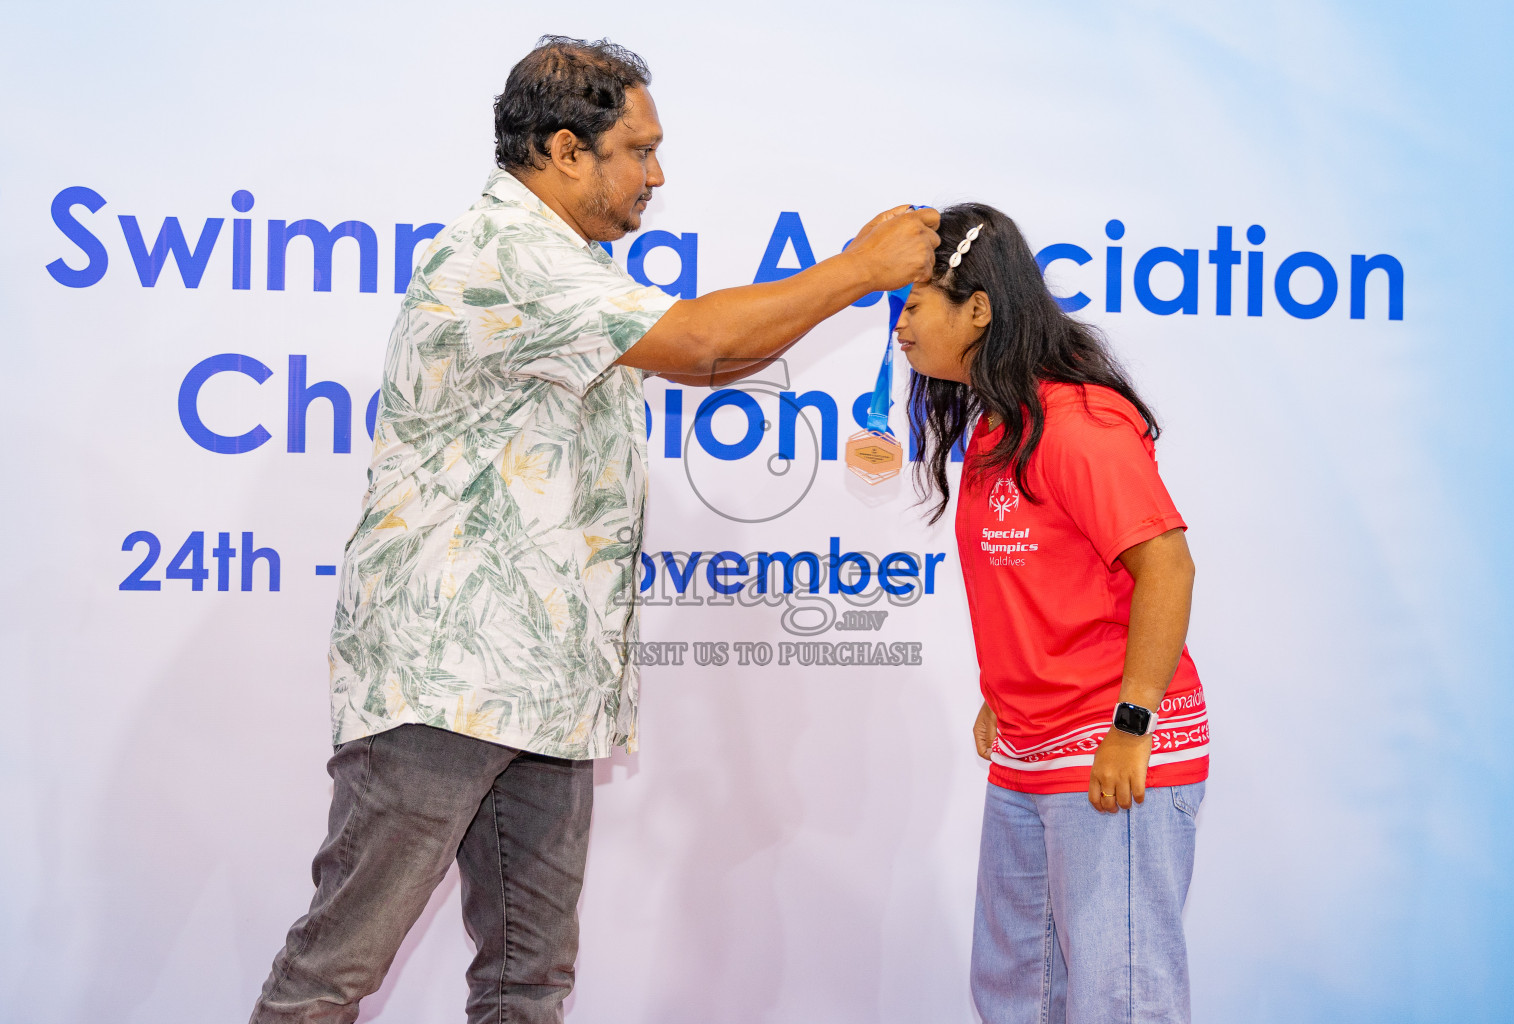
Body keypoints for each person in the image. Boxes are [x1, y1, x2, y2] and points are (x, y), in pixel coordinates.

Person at [248, 36, 939, 1024]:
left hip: (546, 691)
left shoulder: (570, 266)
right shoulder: (508, 256)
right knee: (332, 977)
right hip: (446, 687)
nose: (659, 174)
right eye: (642, 150)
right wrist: (859, 269)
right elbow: (706, 345)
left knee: (528, 986)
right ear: (568, 150)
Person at [896, 204, 1210, 1023]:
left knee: (1120, 1002)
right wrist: (1005, 686)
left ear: (977, 309)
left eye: (913, 303)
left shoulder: (1076, 424)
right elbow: (1041, 576)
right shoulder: (1001, 425)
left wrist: (1132, 724)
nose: (899, 326)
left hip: (1112, 755)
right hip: (1031, 756)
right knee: (1016, 996)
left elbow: (1167, 567)